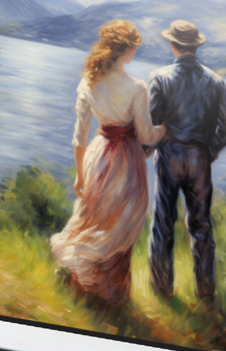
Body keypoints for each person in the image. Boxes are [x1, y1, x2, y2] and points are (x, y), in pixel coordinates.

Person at [49, 20, 165, 308]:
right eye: (134, 48)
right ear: (127, 49)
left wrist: (79, 176)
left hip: (97, 157)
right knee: (121, 223)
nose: (134, 53)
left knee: (95, 218)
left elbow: (79, 135)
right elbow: (148, 135)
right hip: (125, 161)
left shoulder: (88, 82)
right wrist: (168, 128)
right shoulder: (136, 87)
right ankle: (112, 296)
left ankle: (84, 287)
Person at [147, 21, 226, 303]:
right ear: (195, 47)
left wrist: (152, 146)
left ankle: (162, 287)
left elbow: (152, 122)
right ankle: (206, 291)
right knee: (201, 227)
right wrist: (209, 150)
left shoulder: (159, 77)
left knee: (163, 221)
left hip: (169, 157)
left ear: (172, 45)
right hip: (200, 160)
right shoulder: (216, 81)